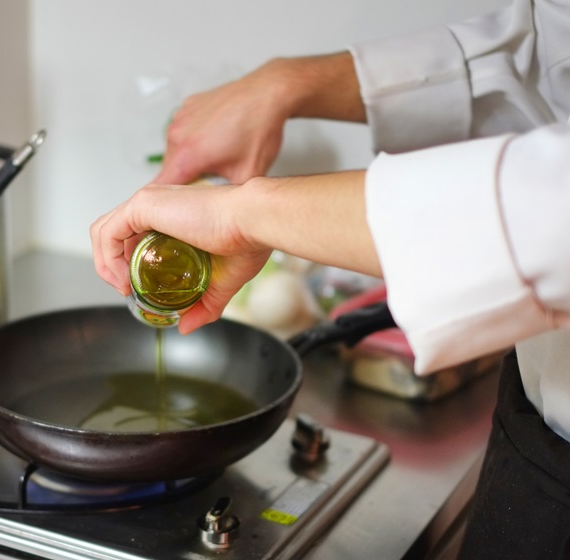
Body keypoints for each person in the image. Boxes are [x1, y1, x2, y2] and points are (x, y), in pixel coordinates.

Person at [90, 0, 570, 557]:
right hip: (532, 440)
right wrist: (287, 83)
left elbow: (550, 211)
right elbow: (549, 46)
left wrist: (247, 214)